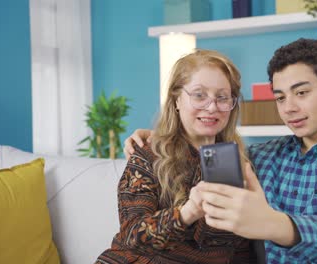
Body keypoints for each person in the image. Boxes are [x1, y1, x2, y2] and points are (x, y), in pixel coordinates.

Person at [124, 39, 317, 263]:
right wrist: (163, 137)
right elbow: (198, 147)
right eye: (280, 97)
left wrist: (272, 223)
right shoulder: (261, 157)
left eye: (301, 93)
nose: (289, 108)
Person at [96, 49, 256, 264]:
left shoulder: (241, 163)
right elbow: (132, 235)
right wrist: (188, 212)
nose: (212, 107)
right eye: (199, 95)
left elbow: (240, 248)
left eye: (222, 97)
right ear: (177, 100)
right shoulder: (147, 154)